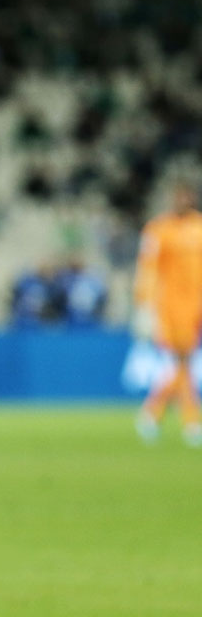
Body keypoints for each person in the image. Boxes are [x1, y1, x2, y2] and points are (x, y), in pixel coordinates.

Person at [132, 182, 202, 446]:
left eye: (187, 196)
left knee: (181, 364)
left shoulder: (199, 226)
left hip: (196, 306)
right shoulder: (158, 229)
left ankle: (152, 413)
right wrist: (143, 305)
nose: (182, 201)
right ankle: (190, 422)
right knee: (182, 362)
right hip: (170, 307)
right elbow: (147, 268)